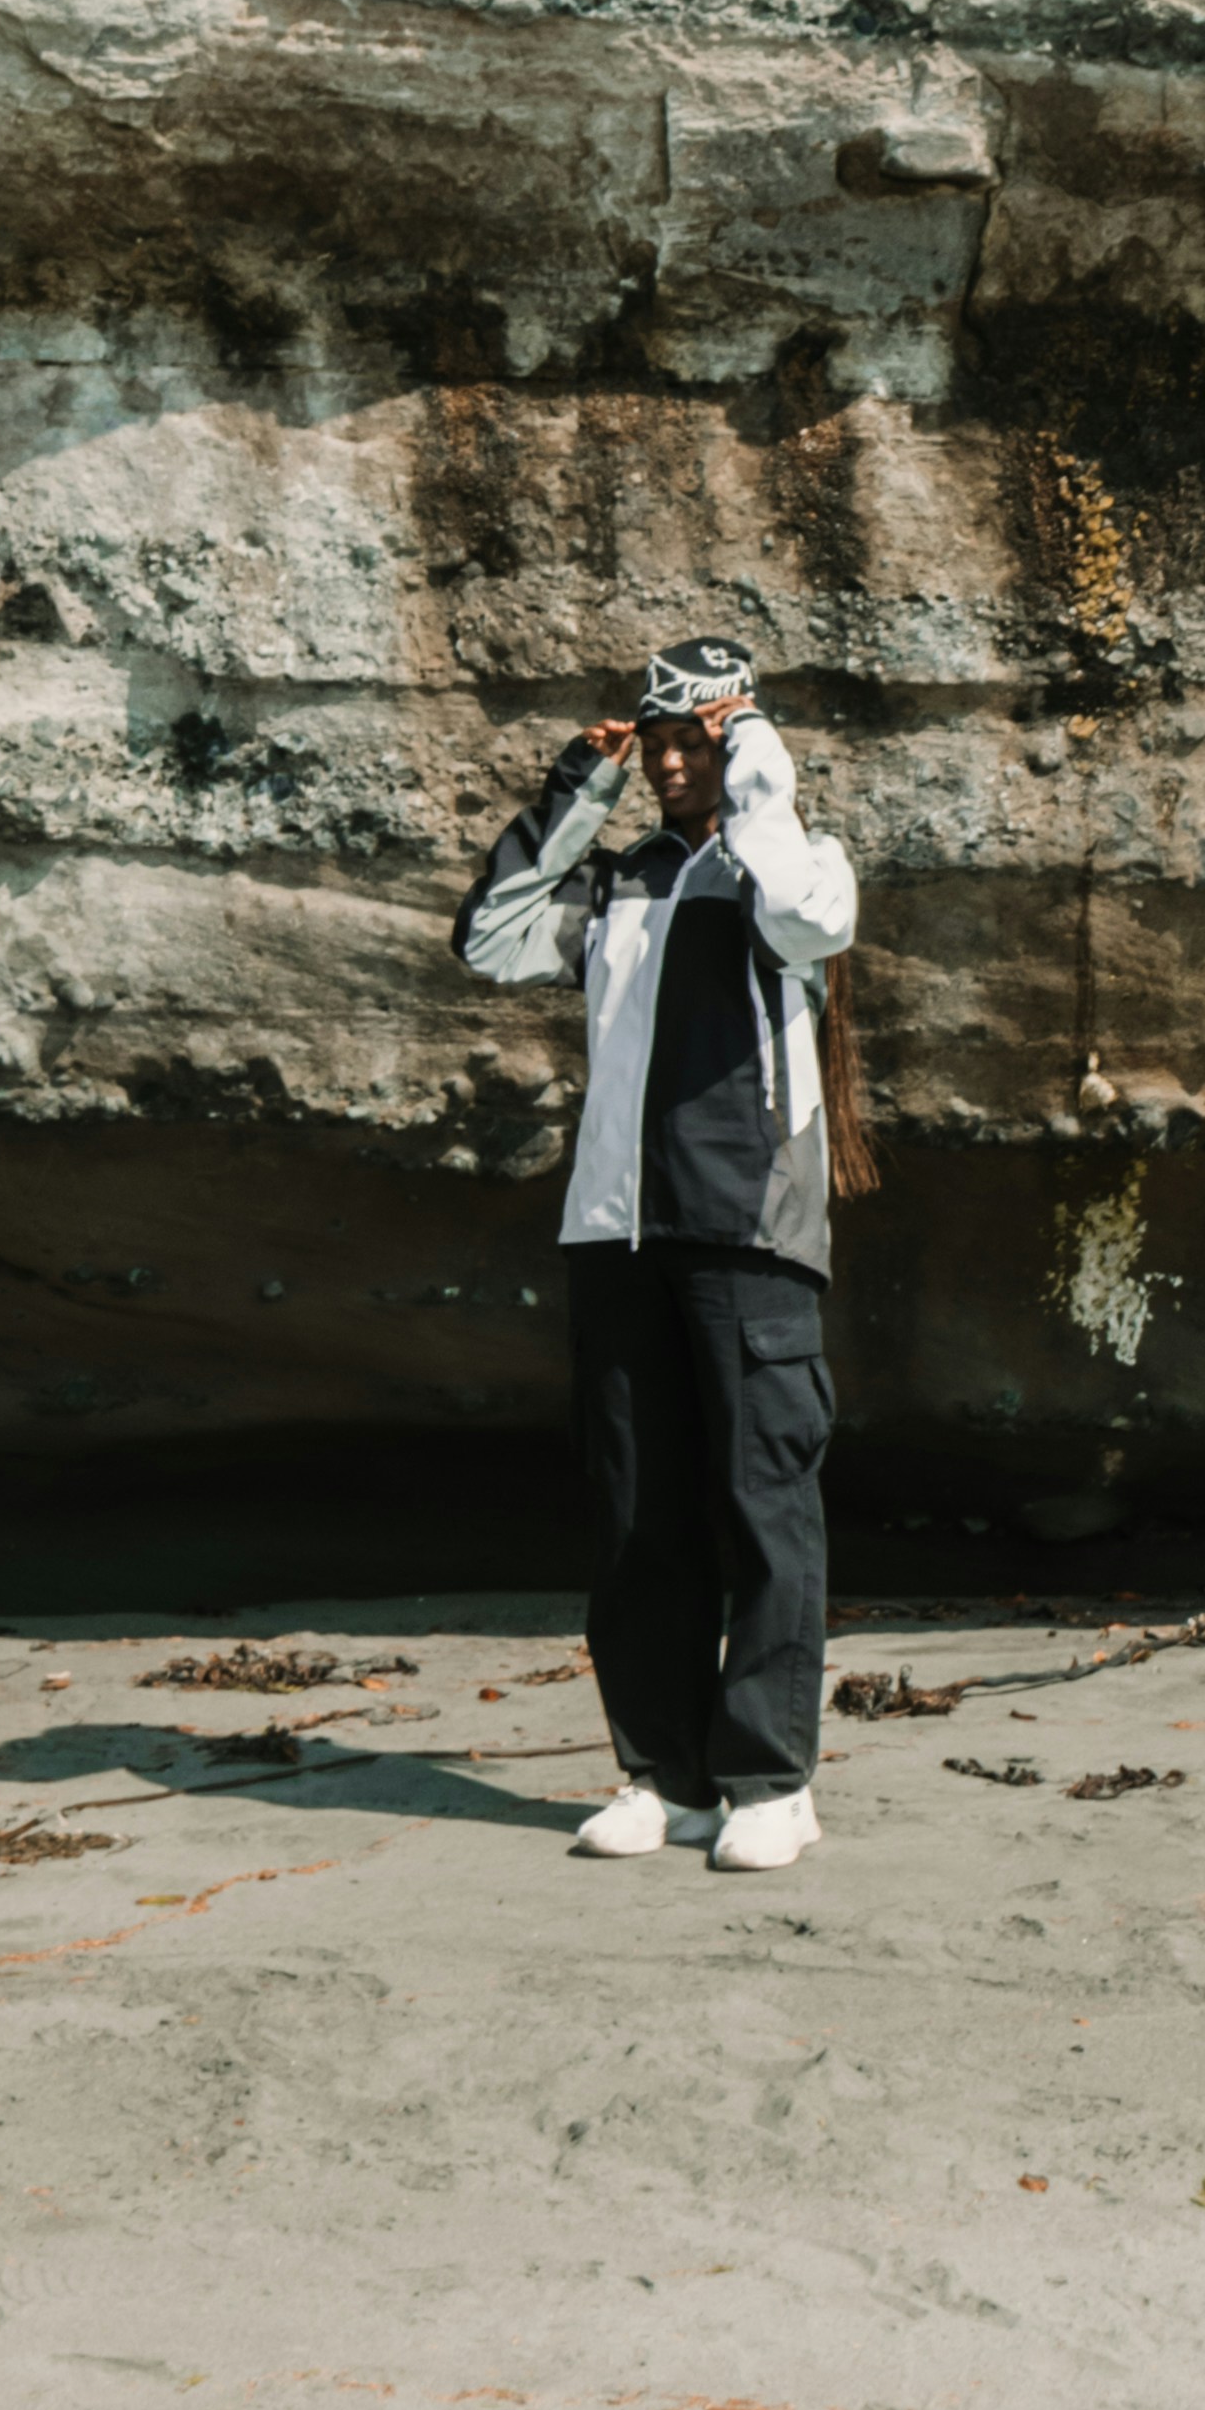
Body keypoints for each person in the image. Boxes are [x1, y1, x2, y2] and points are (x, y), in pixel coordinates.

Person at [454, 633, 860, 1876]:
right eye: (666, 740)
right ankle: (664, 1774)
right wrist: (577, 791)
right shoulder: (621, 880)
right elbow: (489, 938)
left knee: (761, 1505)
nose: (679, 760)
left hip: (749, 1233)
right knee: (638, 1515)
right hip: (617, 1233)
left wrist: (756, 761)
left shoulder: (791, 868)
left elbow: (804, 911)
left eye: (704, 738)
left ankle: (769, 1783)